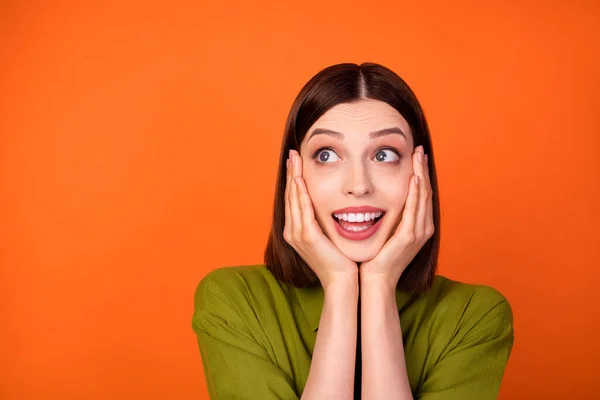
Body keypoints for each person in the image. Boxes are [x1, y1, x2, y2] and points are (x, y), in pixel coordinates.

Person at [192, 62, 514, 399]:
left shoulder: (475, 316)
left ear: (419, 171)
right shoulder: (234, 301)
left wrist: (378, 283)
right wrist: (340, 284)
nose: (358, 185)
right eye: (327, 155)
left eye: (385, 154)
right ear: (293, 173)